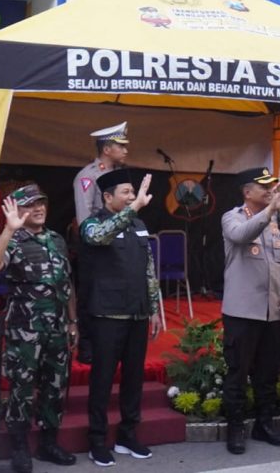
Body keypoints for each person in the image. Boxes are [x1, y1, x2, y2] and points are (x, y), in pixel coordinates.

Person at [0, 184, 78, 473]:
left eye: (42, 204)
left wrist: (73, 322)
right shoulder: (13, 241)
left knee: (55, 386)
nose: (38, 209)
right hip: (26, 331)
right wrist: (9, 231)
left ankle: (49, 442)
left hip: (58, 328)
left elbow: (67, 284)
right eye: (30, 205)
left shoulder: (57, 240)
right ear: (18, 211)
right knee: (21, 389)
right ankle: (20, 447)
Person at [78, 169, 163, 467]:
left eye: (133, 193)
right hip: (107, 314)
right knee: (102, 380)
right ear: (107, 197)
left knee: (133, 379)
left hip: (137, 312)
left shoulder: (139, 225)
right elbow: (101, 238)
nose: (131, 197)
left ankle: (128, 435)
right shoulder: (92, 224)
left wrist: (154, 309)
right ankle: (97, 441)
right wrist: (135, 207)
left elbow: (149, 270)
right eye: (126, 193)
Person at [220, 167, 280, 454]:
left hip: (272, 312)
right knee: (238, 373)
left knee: (267, 373)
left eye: (271, 186)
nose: (269, 190)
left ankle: (265, 424)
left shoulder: (277, 221)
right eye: (263, 186)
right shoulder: (233, 217)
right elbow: (239, 236)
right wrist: (269, 212)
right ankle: (236, 429)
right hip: (242, 312)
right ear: (247, 192)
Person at [73, 121, 130, 364]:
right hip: (94, 245)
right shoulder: (88, 176)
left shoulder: (118, 177)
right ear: (107, 149)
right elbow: (85, 216)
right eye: (121, 146)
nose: (126, 150)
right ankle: (87, 347)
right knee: (90, 294)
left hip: (117, 244)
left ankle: (112, 346)